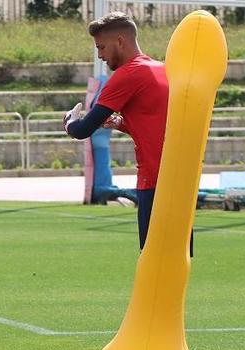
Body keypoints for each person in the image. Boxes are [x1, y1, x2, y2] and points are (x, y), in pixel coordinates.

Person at [63, 12, 182, 253]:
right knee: (177, 258)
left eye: (101, 47)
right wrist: (121, 123)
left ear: (120, 41)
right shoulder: (162, 69)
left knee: (152, 259)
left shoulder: (127, 75)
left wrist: (69, 122)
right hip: (181, 181)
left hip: (154, 180)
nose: (100, 55)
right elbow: (158, 123)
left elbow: (84, 129)